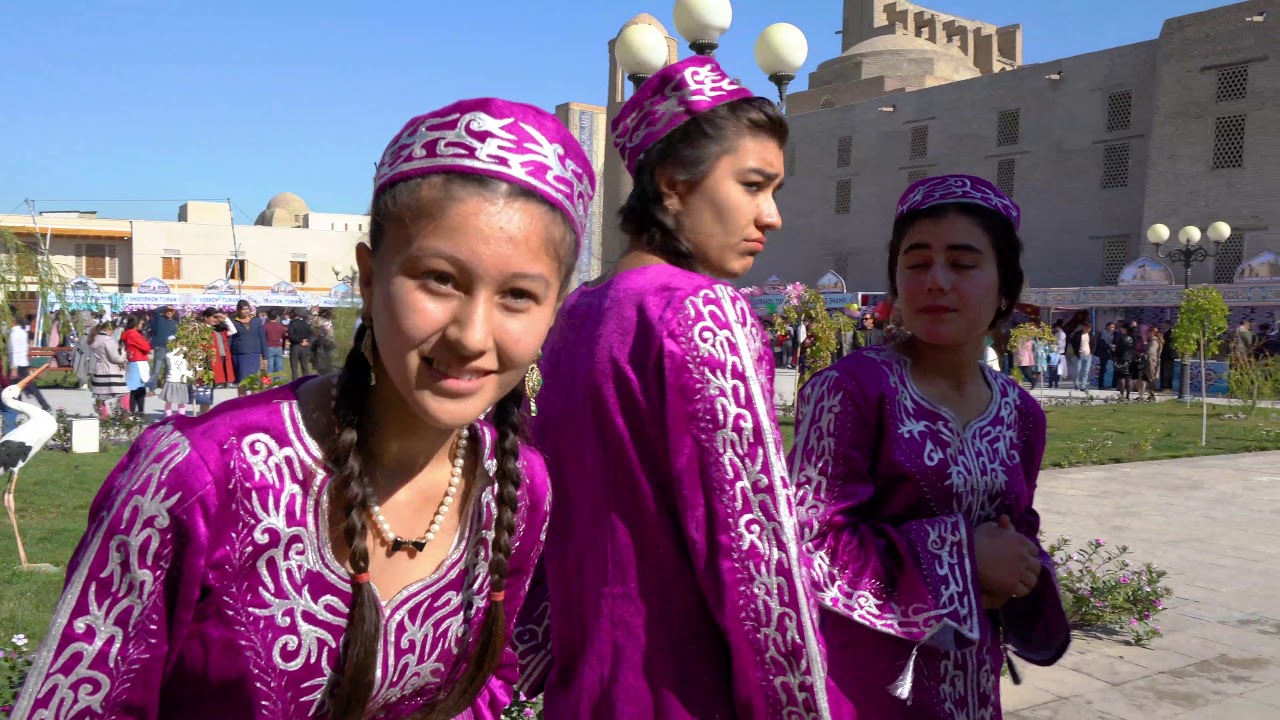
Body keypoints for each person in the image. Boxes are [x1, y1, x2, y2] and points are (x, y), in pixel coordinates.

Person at [20, 97, 596, 718]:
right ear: (370, 280)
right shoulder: (198, 477)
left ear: (554, 310)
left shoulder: (517, 486)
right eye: (440, 280)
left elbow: (486, 684)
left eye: (517, 295)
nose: (472, 335)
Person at [516, 56, 832, 718]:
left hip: (587, 687)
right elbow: (754, 555)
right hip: (682, 688)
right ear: (672, 184)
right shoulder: (703, 311)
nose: (770, 216)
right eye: (753, 185)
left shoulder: (577, 314)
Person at [790, 174, 1069, 718]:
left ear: (1006, 287)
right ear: (895, 285)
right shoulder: (850, 390)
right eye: (916, 263)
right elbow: (807, 541)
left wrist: (1021, 566)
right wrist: (961, 560)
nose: (936, 281)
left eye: (963, 264)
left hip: (970, 679)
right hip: (864, 681)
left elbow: (1017, 527)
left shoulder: (1021, 413)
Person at [7, 308, 52, 412]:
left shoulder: (14, 334)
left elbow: (14, 351)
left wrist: (13, 368)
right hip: (23, 363)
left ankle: (17, 406)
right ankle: (42, 404)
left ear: (13, 320)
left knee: (14, 387)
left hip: (16, 364)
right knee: (24, 386)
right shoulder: (23, 332)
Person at [88, 321, 127, 418]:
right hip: (111, 370)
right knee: (124, 392)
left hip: (99, 369)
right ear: (108, 329)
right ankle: (125, 416)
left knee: (100, 396)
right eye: (112, 331)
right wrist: (123, 354)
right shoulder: (108, 340)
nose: (112, 333)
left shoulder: (94, 339)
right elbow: (115, 358)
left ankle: (103, 416)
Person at [121, 312, 153, 416]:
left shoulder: (127, 333)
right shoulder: (134, 334)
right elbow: (147, 347)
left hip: (133, 361)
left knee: (135, 387)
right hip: (139, 362)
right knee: (137, 388)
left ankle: (134, 411)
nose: (142, 324)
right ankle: (136, 411)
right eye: (141, 322)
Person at [229, 299, 268, 382]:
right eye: (243, 309)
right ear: (238, 310)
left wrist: (265, 357)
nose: (246, 311)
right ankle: (243, 395)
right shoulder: (233, 322)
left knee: (255, 381)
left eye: (247, 309)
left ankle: (254, 395)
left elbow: (262, 338)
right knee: (242, 382)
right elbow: (230, 340)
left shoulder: (256, 321)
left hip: (254, 355)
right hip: (240, 356)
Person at [200, 307, 237, 389]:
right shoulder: (202, 329)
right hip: (211, 356)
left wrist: (225, 319)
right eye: (213, 317)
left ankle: (224, 382)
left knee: (224, 369)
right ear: (206, 317)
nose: (216, 320)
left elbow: (233, 331)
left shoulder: (220, 329)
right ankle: (215, 382)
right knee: (214, 370)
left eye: (217, 318)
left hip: (223, 354)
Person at [148, 304, 178, 392]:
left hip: (170, 348)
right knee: (156, 370)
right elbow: (155, 311)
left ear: (173, 313)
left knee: (169, 369)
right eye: (167, 311)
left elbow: (175, 335)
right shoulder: (159, 319)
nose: (169, 312)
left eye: (171, 311)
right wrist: (167, 307)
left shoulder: (173, 323)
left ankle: (165, 388)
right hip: (160, 347)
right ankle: (152, 388)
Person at [160, 346, 193, 417]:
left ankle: (181, 415)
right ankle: (168, 415)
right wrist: (177, 348)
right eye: (179, 351)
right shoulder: (171, 358)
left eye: (181, 350)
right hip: (172, 381)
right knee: (169, 400)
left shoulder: (184, 359)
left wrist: (191, 374)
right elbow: (168, 355)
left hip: (181, 382)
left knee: (181, 401)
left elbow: (185, 370)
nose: (180, 352)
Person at [1068, 320, 1094, 391]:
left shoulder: (1090, 335)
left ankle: (1083, 386)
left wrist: (1092, 353)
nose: (1088, 329)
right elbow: (1073, 344)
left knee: (1086, 371)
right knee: (1077, 371)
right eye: (1086, 327)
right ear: (1084, 327)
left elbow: (1093, 344)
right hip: (1079, 354)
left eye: (1089, 328)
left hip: (1088, 355)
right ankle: (1076, 383)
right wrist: (1076, 353)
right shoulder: (1078, 334)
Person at [288, 309, 314, 380]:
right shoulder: (305, 323)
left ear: (293, 314)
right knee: (305, 367)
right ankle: (306, 382)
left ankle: (294, 382)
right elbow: (312, 334)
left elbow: (291, 335)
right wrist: (307, 341)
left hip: (295, 346)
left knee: (294, 368)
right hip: (304, 347)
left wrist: (300, 341)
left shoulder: (292, 323)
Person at [1113, 322, 1136, 400]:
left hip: (1122, 359)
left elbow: (1119, 349)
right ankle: (1128, 395)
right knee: (1129, 378)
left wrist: (1115, 352)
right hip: (1130, 358)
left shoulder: (1122, 338)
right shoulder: (1133, 337)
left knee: (1121, 377)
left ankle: (1122, 394)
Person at [263, 308, 288, 375]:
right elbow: (284, 336)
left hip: (269, 347)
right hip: (278, 347)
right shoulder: (280, 326)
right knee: (279, 368)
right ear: (276, 317)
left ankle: (270, 383)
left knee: (270, 368)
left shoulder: (265, 326)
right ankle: (280, 382)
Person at [1143, 325, 1163, 401]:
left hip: (1152, 362)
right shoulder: (1154, 340)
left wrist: (1145, 354)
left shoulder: (1154, 341)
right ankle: (1151, 394)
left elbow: (1151, 352)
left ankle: (1152, 394)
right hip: (1153, 361)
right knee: (1150, 378)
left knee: (1151, 378)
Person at [1096, 321, 1116, 390]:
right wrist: (1110, 346)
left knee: (1108, 369)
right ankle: (1101, 385)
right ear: (1107, 327)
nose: (1113, 328)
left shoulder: (1112, 334)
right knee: (1103, 369)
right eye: (1112, 327)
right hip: (1103, 353)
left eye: (1114, 327)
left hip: (1109, 353)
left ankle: (1108, 384)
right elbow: (1101, 343)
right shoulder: (1103, 334)